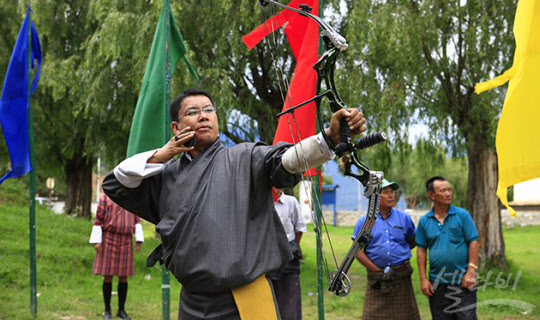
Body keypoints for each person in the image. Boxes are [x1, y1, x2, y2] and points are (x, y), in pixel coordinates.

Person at [102, 88, 367, 319]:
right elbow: (115, 183)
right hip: (193, 301)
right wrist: (162, 154)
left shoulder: (244, 157)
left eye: (209, 110)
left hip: (246, 297)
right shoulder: (166, 175)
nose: (204, 115)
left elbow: (283, 160)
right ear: (176, 127)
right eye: (193, 111)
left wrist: (329, 138)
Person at [352, 178, 420, 320]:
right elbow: (356, 250)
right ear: (374, 196)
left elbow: (413, 241)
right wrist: (376, 270)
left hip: (401, 278)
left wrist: (399, 254)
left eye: (392, 192)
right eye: (386, 192)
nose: (391, 195)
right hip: (376, 279)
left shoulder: (404, 218)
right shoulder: (364, 222)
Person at [416, 176, 479, 320]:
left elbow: (474, 242)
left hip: (463, 282)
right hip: (436, 284)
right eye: (443, 190)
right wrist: (423, 279)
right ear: (432, 195)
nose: (448, 193)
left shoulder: (462, 215)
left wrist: (471, 271)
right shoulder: (425, 221)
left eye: (449, 190)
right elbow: (421, 250)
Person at [89, 194, 144, 320]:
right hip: (108, 238)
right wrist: (98, 241)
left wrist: (139, 239)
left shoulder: (132, 197)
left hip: (126, 240)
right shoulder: (105, 198)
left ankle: (121, 310)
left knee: (123, 277)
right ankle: (107, 310)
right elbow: (99, 219)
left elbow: (137, 219)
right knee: (108, 276)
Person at [270, 188, 307, 320]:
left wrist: (289, 250)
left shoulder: (291, 202)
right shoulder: (262, 202)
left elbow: (299, 229)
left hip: (288, 261)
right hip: (266, 262)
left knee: (290, 310)